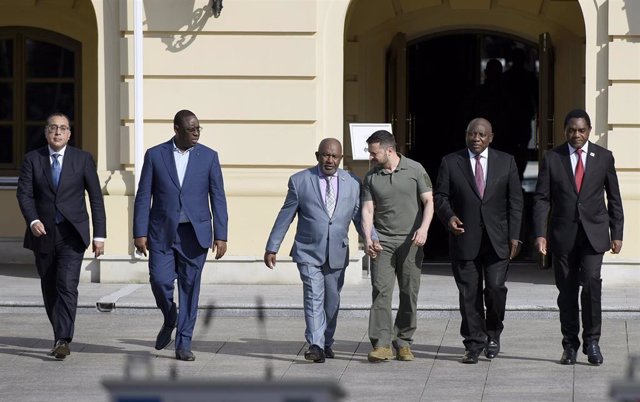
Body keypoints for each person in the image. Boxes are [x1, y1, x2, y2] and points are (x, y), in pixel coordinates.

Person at [264, 138, 376, 363]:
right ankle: (315, 344)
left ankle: (326, 341)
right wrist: (272, 246)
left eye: (334, 156)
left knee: (332, 300)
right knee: (313, 296)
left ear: (341, 158)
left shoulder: (353, 183)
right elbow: (285, 216)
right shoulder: (300, 181)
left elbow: (359, 217)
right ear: (318, 156)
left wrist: (372, 238)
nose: (330, 160)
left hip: (337, 251)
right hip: (308, 251)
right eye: (326, 155)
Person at [133, 109, 228, 362]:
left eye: (199, 128)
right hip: (162, 233)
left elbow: (218, 196)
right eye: (191, 128)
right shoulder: (155, 155)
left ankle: (183, 343)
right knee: (160, 281)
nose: (196, 132)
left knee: (189, 289)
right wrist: (139, 232)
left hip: (195, 235)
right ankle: (169, 316)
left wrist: (222, 235)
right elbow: (144, 196)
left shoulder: (209, 157)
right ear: (176, 129)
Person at [533, 109, 624, 366]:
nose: (576, 135)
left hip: (594, 235)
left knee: (592, 284)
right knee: (567, 291)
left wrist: (617, 233)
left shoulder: (604, 158)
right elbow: (541, 198)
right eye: (572, 130)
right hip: (563, 236)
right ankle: (570, 345)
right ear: (565, 131)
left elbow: (614, 198)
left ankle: (592, 341)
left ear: (589, 130)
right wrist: (540, 233)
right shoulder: (552, 158)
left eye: (581, 130)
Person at [16, 112, 106, 360]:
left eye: (63, 128)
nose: (58, 132)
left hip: (72, 235)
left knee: (67, 285)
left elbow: (96, 199)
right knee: (50, 287)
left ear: (69, 134)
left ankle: (63, 338)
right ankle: (59, 334)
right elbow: (24, 194)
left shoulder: (83, 159)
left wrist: (100, 235)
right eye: (53, 128)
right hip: (43, 234)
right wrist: (33, 220)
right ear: (46, 132)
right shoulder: (32, 159)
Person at [434, 117, 523, 364]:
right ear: (466, 135)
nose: (476, 138)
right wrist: (449, 217)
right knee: (468, 294)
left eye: (482, 135)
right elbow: (440, 196)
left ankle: (493, 333)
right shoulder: (451, 162)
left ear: (490, 137)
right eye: (472, 134)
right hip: (464, 238)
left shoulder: (506, 162)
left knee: (495, 289)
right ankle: (473, 343)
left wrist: (515, 236)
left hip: (497, 240)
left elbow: (515, 202)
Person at [362, 130, 434, 362]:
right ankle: (381, 344)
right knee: (381, 292)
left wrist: (423, 229)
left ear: (389, 150)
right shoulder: (371, 177)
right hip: (382, 243)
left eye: (374, 153)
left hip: (411, 242)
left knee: (408, 292)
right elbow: (367, 210)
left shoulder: (415, 169)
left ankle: (403, 341)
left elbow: (429, 201)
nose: (371, 157)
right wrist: (367, 238)